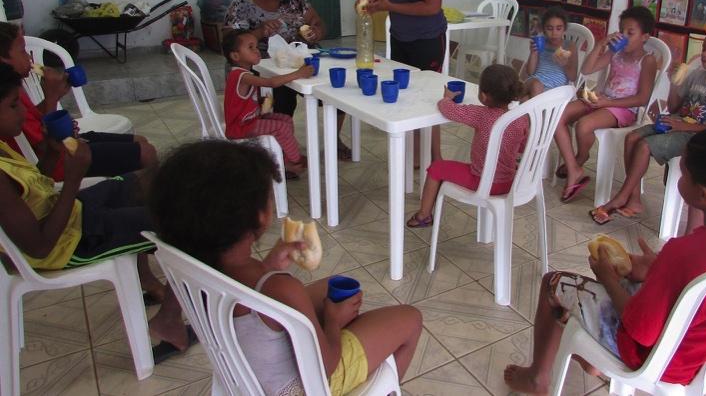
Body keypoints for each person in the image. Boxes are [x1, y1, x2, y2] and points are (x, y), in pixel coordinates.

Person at [503, 127, 706, 394]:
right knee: (632, 278)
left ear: (703, 195)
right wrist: (658, 270)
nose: (679, 179)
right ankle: (591, 357)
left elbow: (641, 332)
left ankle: (538, 377)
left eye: (683, 174)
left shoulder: (683, 252)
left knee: (554, 284)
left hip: (661, 359)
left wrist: (608, 279)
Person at [149, 139, 423, 395]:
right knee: (410, 318)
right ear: (260, 216)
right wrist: (333, 321)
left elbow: (246, 297)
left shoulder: (196, 267)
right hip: (304, 387)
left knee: (330, 286)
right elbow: (325, 364)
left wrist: (270, 264)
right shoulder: (282, 287)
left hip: (244, 377)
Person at [0, 63, 191, 359]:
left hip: (71, 216)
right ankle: (169, 319)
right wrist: (74, 176)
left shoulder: (2, 148)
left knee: (150, 181)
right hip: (71, 244)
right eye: (14, 105)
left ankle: (161, 274)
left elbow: (38, 188)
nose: (24, 112)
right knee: (191, 224)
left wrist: (53, 152)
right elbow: (39, 247)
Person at [591, 16, 706, 225]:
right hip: (676, 123)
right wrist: (673, 84)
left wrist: (683, 125)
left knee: (645, 145)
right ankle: (634, 199)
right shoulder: (697, 75)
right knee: (632, 138)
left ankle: (620, 197)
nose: (704, 54)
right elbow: (674, 108)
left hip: (697, 135)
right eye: (704, 49)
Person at [225, 0, 353, 160]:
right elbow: (228, 43)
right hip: (262, 69)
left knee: (336, 89)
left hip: (297, 61)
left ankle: (334, 139)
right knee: (282, 96)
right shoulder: (242, 4)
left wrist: (316, 31)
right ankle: (280, 151)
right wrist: (259, 32)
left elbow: (317, 21)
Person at [0, 22, 156, 181]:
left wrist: (54, 94)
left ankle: (127, 188)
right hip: (62, 159)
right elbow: (46, 146)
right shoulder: (7, 98)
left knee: (140, 141)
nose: (29, 57)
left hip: (67, 145)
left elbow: (34, 119)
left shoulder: (15, 88)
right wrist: (52, 97)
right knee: (146, 152)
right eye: (22, 51)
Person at [359, 0, 447, 160]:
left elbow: (432, 6)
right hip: (400, 37)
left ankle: (436, 157)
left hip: (428, 39)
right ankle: (414, 154)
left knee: (429, 96)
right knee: (405, 95)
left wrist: (389, 6)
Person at [555, 7, 658, 203]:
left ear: (645, 37)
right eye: (622, 31)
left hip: (623, 108)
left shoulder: (648, 60)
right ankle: (574, 167)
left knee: (584, 125)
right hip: (603, 99)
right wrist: (602, 44)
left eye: (631, 33)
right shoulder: (615, 52)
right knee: (558, 115)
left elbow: (643, 98)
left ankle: (580, 158)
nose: (624, 37)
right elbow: (587, 69)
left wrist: (609, 102)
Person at [406, 64, 528, 227]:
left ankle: (424, 215)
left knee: (436, 168)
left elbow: (448, 110)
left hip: (482, 182)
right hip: (510, 183)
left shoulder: (481, 114)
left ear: (484, 96)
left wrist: (447, 98)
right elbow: (522, 146)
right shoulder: (521, 118)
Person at [222, 29, 313, 175]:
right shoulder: (239, 75)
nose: (257, 51)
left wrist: (264, 104)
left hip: (251, 119)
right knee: (281, 128)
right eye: (250, 48)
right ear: (235, 55)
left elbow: (251, 100)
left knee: (286, 119)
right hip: (241, 127)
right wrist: (298, 73)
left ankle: (285, 157)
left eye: (256, 46)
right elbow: (271, 82)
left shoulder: (245, 72)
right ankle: (294, 161)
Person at [524, 7, 578, 98]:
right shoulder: (541, 43)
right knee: (536, 86)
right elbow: (530, 72)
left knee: (525, 101)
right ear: (544, 29)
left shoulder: (569, 46)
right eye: (549, 28)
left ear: (564, 29)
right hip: (534, 83)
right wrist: (533, 53)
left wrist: (565, 64)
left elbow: (573, 77)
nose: (554, 33)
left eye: (558, 28)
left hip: (555, 90)